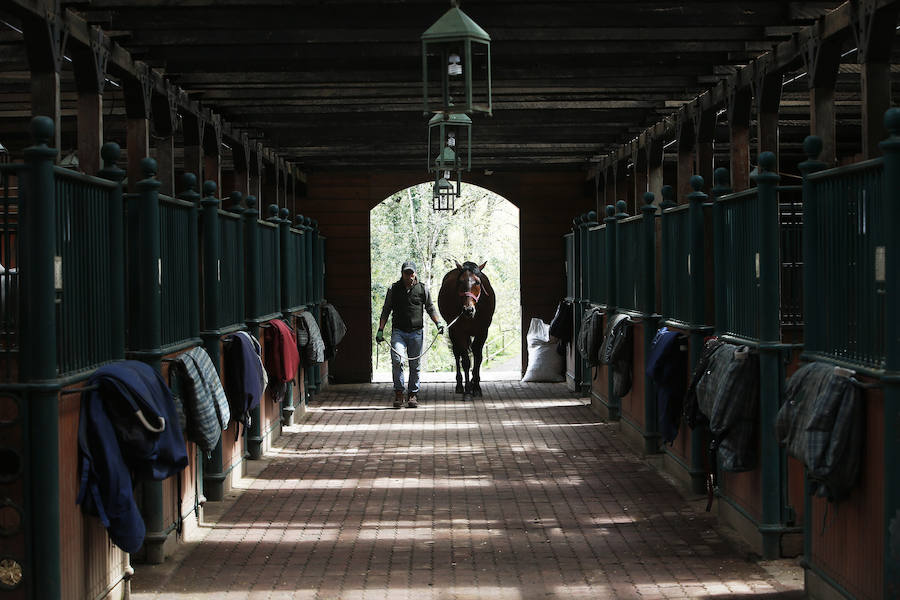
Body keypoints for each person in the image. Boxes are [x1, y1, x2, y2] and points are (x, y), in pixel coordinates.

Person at [376, 261, 444, 408]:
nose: (409, 276)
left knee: (415, 364)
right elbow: (386, 309)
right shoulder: (394, 289)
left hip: (416, 332)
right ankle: (399, 393)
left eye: (411, 273)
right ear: (402, 274)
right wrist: (380, 329)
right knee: (397, 360)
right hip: (398, 332)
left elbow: (430, 308)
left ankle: (413, 394)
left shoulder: (422, 289)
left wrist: (438, 323)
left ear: (415, 273)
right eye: (406, 273)